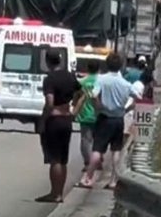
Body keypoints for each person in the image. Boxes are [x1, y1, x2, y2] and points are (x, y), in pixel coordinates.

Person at [79, 52, 144, 190]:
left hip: (104, 118)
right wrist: (127, 108)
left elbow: (93, 95)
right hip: (118, 119)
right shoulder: (125, 84)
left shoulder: (102, 79)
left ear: (107, 64)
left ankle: (88, 178)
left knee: (97, 150)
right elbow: (138, 96)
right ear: (120, 66)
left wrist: (98, 106)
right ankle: (113, 181)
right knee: (116, 150)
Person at [36, 50, 83, 203]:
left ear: (47, 61)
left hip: (54, 120)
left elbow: (49, 103)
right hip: (66, 119)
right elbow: (82, 94)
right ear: (60, 60)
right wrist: (75, 111)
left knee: (54, 159)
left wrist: (43, 120)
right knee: (63, 160)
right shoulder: (69, 76)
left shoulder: (49, 79)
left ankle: (54, 194)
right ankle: (60, 193)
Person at [75, 60, 100, 172]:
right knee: (98, 140)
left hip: (85, 114)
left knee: (85, 140)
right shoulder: (101, 81)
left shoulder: (81, 82)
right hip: (99, 114)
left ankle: (87, 163)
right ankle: (97, 161)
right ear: (98, 69)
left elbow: (76, 97)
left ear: (88, 68)